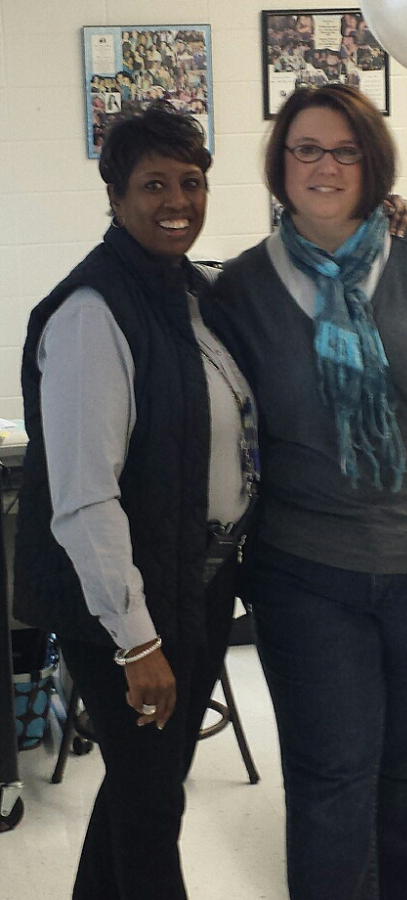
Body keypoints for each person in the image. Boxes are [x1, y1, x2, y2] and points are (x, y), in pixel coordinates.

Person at [205, 83, 407, 900]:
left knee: (402, 767)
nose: (324, 166)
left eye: (344, 149)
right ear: (279, 165)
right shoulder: (240, 288)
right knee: (329, 774)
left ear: (372, 162)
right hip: (305, 569)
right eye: (305, 149)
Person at [12, 101, 259, 900]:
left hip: (194, 580)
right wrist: (135, 641)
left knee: (141, 793)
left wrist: (383, 223)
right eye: (153, 183)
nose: (176, 200)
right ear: (114, 195)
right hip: (129, 609)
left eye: (191, 181)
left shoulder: (193, 292)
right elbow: (83, 500)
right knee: (154, 811)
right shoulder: (92, 314)